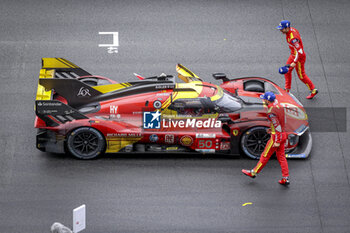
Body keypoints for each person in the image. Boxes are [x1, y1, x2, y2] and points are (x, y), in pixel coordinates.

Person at [242, 92, 290, 185]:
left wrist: (277, 140)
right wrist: (271, 129)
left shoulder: (271, 112)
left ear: (268, 100)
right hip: (284, 134)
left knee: (265, 155)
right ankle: (285, 177)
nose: (263, 101)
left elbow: (277, 127)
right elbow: (281, 122)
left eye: (264, 99)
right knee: (282, 157)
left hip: (276, 136)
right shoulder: (279, 105)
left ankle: (253, 173)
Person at [277, 20, 318, 99]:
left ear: (287, 28)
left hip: (298, 58)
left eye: (282, 29)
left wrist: (295, 62)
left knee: (301, 76)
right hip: (293, 55)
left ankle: (313, 89)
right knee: (287, 71)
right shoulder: (292, 30)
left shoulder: (293, 39)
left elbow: (300, 52)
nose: (280, 30)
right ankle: (287, 90)